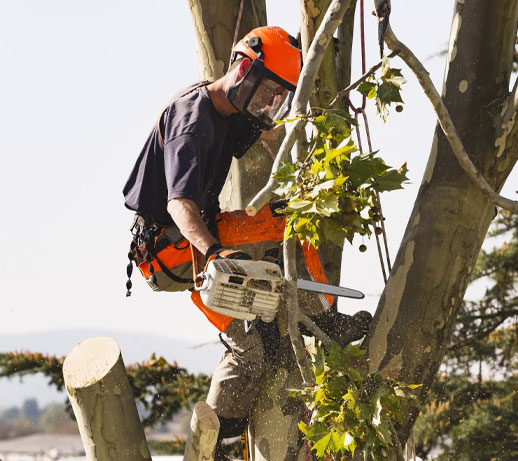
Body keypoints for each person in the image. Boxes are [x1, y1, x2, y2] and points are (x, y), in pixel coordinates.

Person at [123, 26, 371, 458]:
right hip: (173, 248)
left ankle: (314, 318)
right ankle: (221, 445)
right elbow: (180, 204)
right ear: (243, 69)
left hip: (202, 234)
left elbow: (275, 135)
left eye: (280, 95)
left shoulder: (229, 111)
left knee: (286, 222)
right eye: (270, 91)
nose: (271, 103)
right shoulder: (193, 123)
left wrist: (316, 119)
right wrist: (216, 254)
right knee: (250, 345)